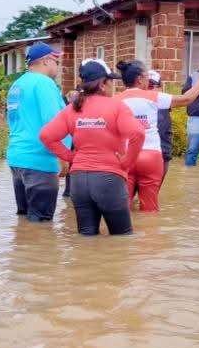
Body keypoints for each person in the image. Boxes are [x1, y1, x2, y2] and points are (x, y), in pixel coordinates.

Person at [40, 59, 145, 235]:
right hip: (109, 179)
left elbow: (46, 136)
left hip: (79, 182)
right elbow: (138, 134)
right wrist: (127, 162)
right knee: (122, 239)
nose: (113, 85)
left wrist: (71, 157)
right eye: (111, 81)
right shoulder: (116, 106)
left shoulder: (73, 108)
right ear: (103, 84)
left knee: (86, 237)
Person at [115, 60, 199, 211]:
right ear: (140, 78)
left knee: (122, 208)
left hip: (125, 158)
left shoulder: (115, 100)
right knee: (150, 209)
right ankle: (151, 233)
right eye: (147, 76)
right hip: (151, 156)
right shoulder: (153, 97)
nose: (149, 80)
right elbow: (187, 99)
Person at [6, 42, 68, 222]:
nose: (58, 66)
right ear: (47, 61)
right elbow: (54, 123)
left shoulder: (17, 85)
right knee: (41, 226)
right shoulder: (44, 83)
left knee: (25, 222)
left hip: (17, 159)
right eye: (56, 61)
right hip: (39, 161)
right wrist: (63, 157)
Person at [148, 70, 173, 178]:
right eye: (148, 86)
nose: (150, 89)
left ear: (160, 87)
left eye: (153, 85)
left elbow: (166, 132)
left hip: (162, 153)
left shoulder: (165, 103)